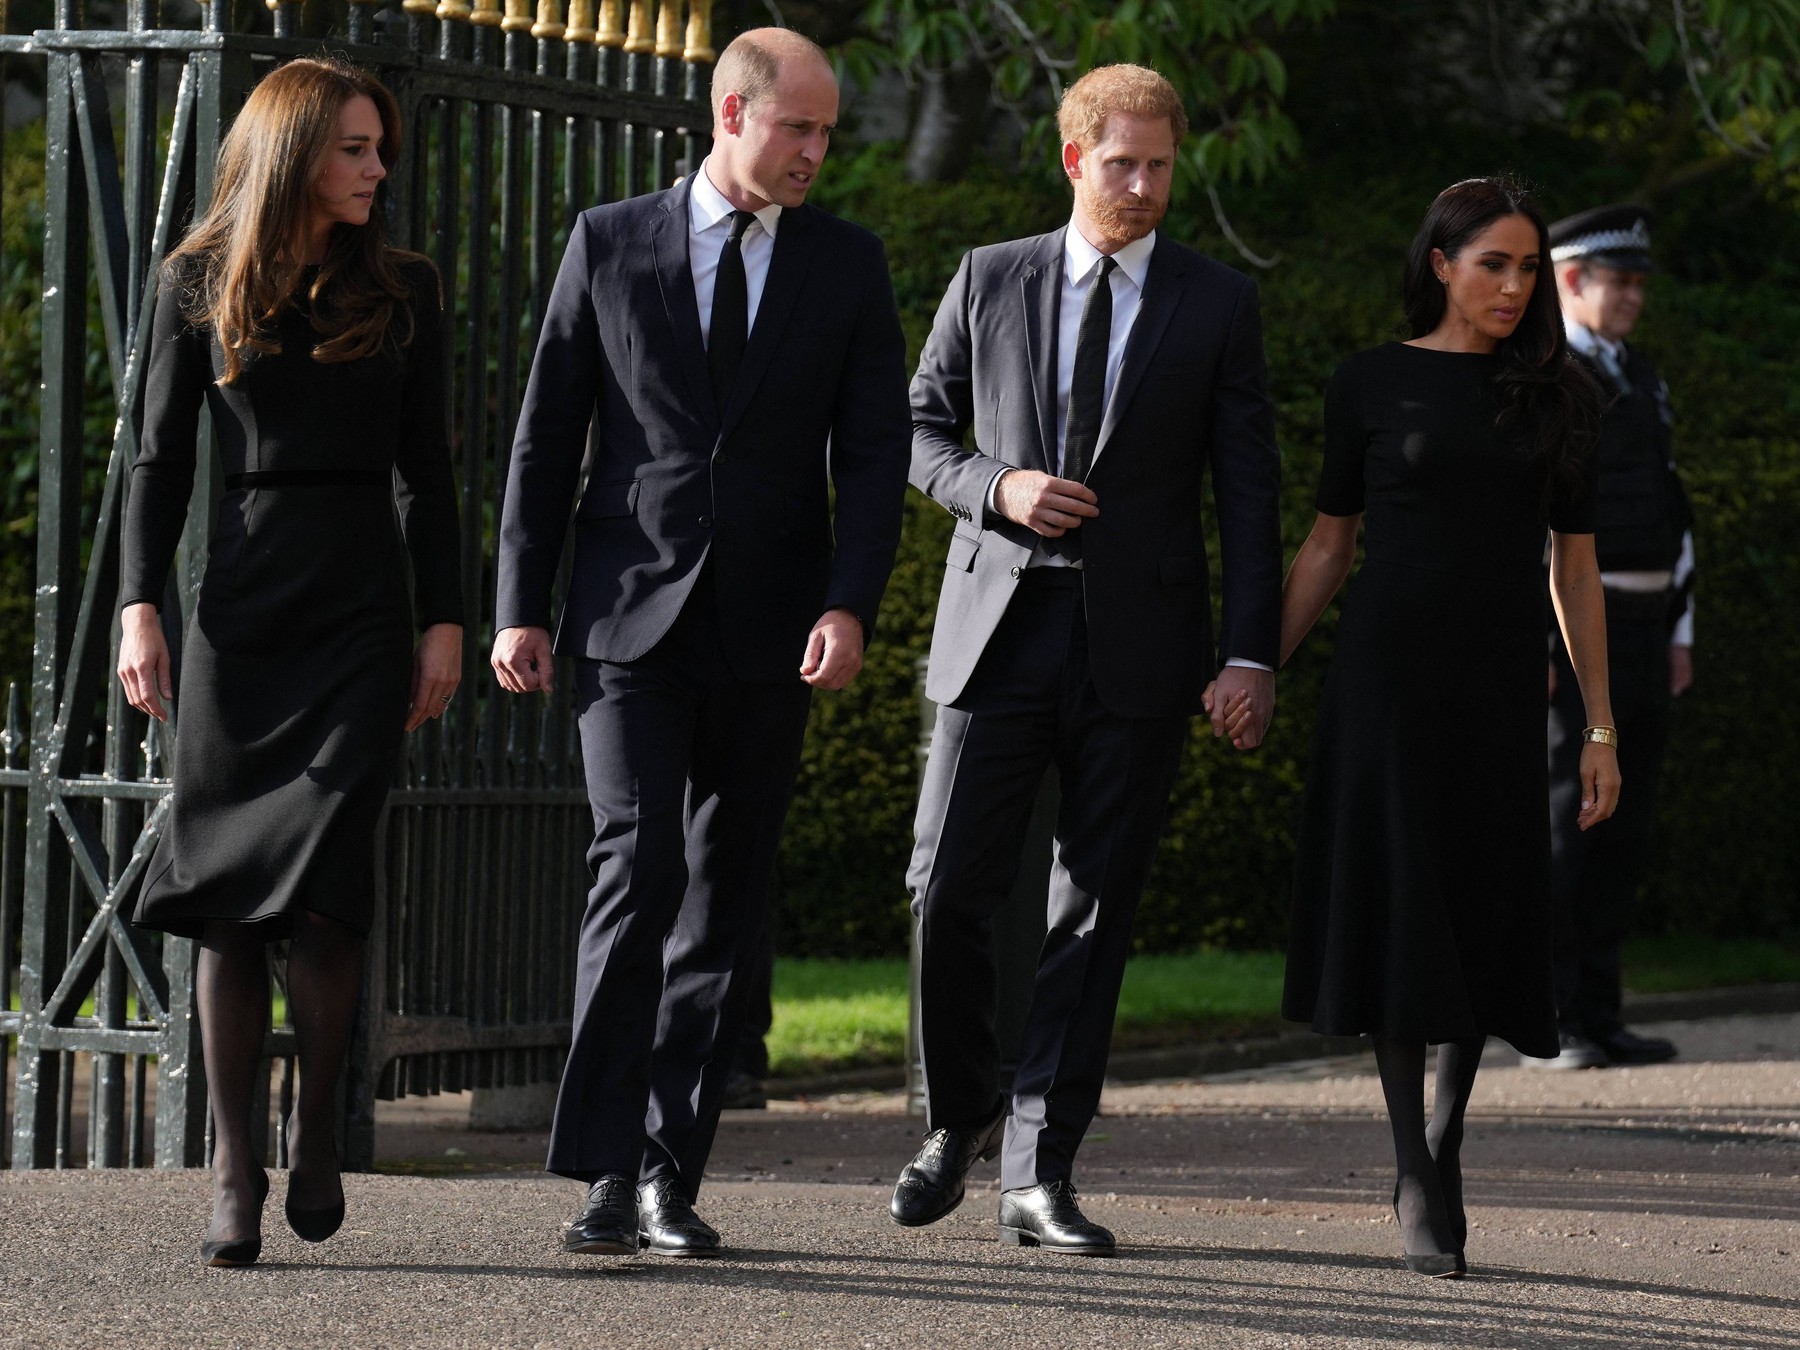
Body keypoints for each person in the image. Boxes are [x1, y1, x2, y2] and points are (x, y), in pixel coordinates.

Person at [491, 28, 909, 1258]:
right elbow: (545, 431)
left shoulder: (847, 264)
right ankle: (607, 1171)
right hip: (629, 616)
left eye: (829, 133)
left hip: (775, 627)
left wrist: (851, 603)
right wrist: (521, 600)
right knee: (637, 869)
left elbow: (875, 455)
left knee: (723, 897)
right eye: (800, 129)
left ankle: (675, 1171)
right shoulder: (608, 240)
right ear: (733, 113)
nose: (817, 153)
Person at [890, 64, 1282, 1256]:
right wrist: (994, 486)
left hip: (1141, 647)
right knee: (947, 890)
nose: (1148, 186)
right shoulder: (990, 275)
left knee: (1092, 910)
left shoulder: (1216, 303)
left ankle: (1038, 1168)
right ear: (1074, 160)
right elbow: (915, 429)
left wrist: (1250, 654)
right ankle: (953, 1117)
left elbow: (1248, 490)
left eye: (1164, 166)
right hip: (997, 631)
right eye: (1126, 164)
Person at [117, 57, 463, 1268]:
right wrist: (137, 608)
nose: (378, 169)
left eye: (382, 149)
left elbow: (433, 475)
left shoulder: (405, 288)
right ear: (296, 150)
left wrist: (445, 621)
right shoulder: (195, 282)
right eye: (356, 149)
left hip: (363, 615)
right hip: (241, 618)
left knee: (324, 893)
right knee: (224, 905)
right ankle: (234, 1168)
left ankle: (317, 1134)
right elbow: (156, 465)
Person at [1279, 177, 1617, 1278]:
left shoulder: (1557, 395)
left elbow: (1574, 565)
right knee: (1399, 900)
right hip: (1386, 677)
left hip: (1498, 684)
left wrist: (1602, 725)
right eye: (1494, 264)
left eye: (1528, 268)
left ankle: (1447, 1133)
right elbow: (1330, 544)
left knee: (1476, 898)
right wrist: (1249, 667)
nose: (1515, 287)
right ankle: (1409, 1164)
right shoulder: (1369, 382)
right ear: (1440, 262)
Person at [1526, 205, 1693, 1070]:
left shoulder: (1641, 375)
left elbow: (1674, 506)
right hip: (1570, 634)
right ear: (1570, 281)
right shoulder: (1544, 380)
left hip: (1644, 622)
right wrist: (1535, 643)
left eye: (1637, 282)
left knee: (1622, 824)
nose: (1633, 296)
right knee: (1566, 820)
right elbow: (1523, 523)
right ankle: (1549, 1019)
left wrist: (1681, 627)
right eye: (1618, 280)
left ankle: (1600, 1009)